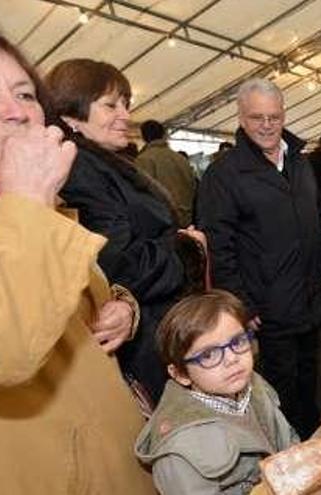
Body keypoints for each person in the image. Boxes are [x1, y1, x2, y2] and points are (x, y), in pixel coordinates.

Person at [0, 25, 154, 493]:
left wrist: (123, 307)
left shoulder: (22, 199)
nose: (16, 112)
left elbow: (74, 298)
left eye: (26, 94)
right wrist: (28, 200)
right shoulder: (0, 202)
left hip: (104, 454)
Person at [46, 59, 206, 404]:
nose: (124, 114)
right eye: (110, 105)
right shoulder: (79, 172)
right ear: (71, 115)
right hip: (142, 344)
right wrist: (184, 246)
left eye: (126, 104)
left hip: (156, 328)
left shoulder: (103, 164)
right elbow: (117, 265)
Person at [194, 78, 321, 438]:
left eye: (274, 116)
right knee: (278, 394)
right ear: (241, 118)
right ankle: (287, 459)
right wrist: (243, 306)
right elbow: (219, 247)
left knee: (309, 381)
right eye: (258, 118)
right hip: (267, 311)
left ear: (284, 115)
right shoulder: (224, 174)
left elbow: (316, 217)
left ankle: (314, 441)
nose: (267, 125)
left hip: (308, 300)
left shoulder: (300, 163)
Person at [135, 290, 298, 495]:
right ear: (180, 374)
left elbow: (288, 441)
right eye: (209, 354)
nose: (232, 359)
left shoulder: (251, 384)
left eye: (238, 342)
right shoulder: (179, 454)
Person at [135, 119, 197, 226]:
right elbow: (193, 188)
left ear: (143, 137)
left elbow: (144, 197)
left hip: (164, 223)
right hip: (188, 219)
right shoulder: (181, 159)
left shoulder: (144, 159)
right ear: (164, 134)